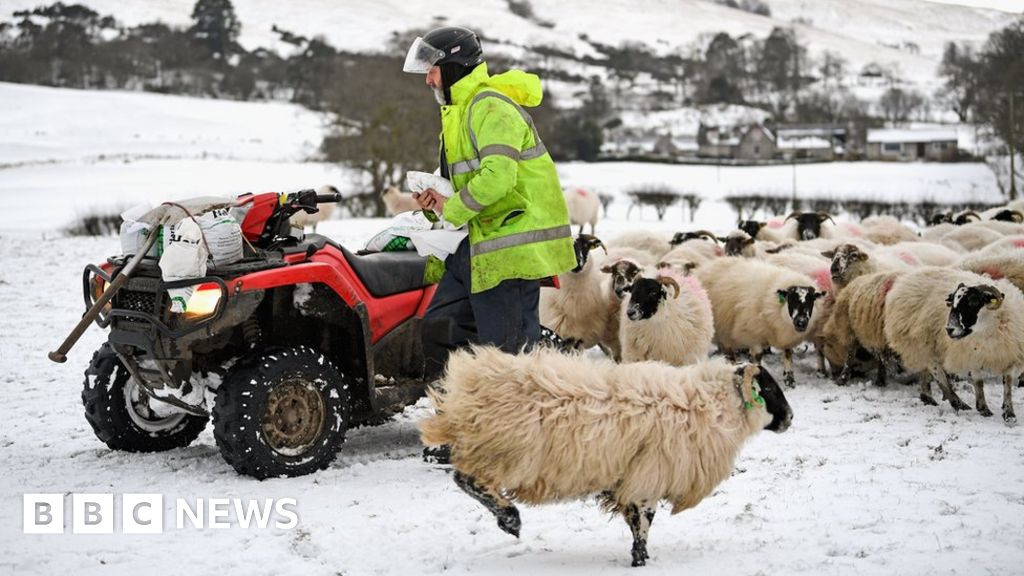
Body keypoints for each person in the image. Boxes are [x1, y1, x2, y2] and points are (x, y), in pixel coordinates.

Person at [403, 26, 576, 461]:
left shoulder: (489, 107)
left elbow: (500, 176)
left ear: (455, 67)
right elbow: (466, 183)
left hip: (508, 250)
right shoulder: (458, 113)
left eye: (433, 71)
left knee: (508, 354)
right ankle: (459, 430)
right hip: (474, 248)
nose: (428, 80)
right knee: (441, 329)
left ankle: (515, 446)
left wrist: (453, 207)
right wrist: (437, 201)